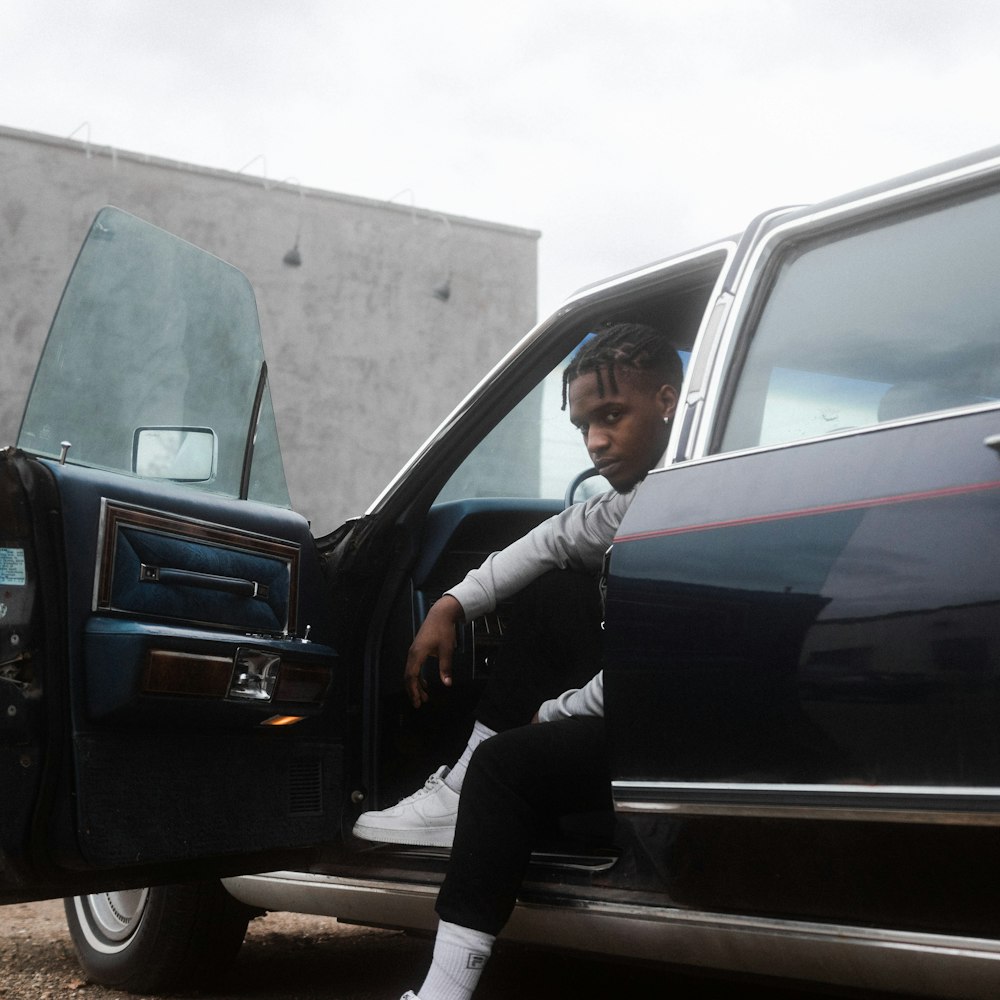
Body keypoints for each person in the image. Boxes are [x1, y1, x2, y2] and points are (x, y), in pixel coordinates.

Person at [353, 322, 682, 848]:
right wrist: (451, 605)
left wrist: (553, 713)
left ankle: (465, 794)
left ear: (667, 401)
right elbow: (554, 539)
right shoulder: (641, 498)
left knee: (552, 596)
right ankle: (466, 790)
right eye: (582, 426)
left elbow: (646, 663)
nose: (595, 442)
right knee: (560, 584)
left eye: (612, 415)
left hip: (668, 717)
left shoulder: (681, 504)